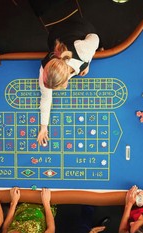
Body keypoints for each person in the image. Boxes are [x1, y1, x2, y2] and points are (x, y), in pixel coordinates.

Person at [37, 17, 99, 146]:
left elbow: (94, 38)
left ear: (65, 81)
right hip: (56, 35)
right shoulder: (45, 70)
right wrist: (44, 127)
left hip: (79, 27)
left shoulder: (83, 51)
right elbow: (46, 99)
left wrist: (87, 62)